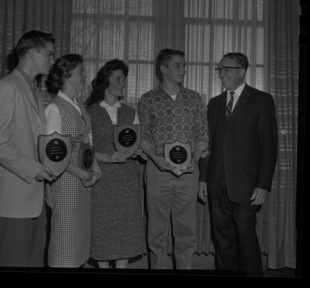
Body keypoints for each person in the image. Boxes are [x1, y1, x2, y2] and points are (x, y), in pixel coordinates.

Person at [198, 52, 278, 276]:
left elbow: (269, 147)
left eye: (226, 69)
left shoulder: (261, 100)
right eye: (219, 69)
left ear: (242, 71)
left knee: (245, 239)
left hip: (247, 187)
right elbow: (209, 144)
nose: (221, 74)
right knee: (222, 240)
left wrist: (263, 185)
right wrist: (203, 178)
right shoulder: (214, 104)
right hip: (217, 183)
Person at [0, 30, 57, 267]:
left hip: (33, 198)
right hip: (12, 198)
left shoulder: (33, 89)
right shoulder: (7, 87)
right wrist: (34, 169)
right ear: (33, 53)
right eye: (49, 54)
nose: (51, 60)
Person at [137, 48, 209, 269]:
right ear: (163, 69)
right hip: (157, 172)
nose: (183, 70)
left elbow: (202, 135)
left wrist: (194, 160)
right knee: (156, 231)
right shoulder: (148, 99)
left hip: (188, 173)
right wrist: (158, 161)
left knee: (186, 230)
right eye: (178, 65)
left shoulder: (195, 99)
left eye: (184, 65)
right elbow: (144, 137)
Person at [85, 59, 147, 269]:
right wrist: (108, 157)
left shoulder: (131, 112)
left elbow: (137, 142)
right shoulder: (90, 112)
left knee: (125, 229)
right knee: (102, 228)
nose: (123, 83)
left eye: (124, 79)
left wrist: (138, 152)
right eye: (118, 79)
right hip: (101, 179)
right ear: (106, 82)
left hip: (127, 180)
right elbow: (86, 149)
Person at [44, 53, 102, 268]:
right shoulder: (54, 109)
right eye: (81, 72)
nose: (86, 76)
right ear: (66, 75)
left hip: (83, 184)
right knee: (64, 246)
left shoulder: (80, 108)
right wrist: (82, 173)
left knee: (78, 244)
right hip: (66, 182)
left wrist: (96, 170)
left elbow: (87, 143)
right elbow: (53, 156)